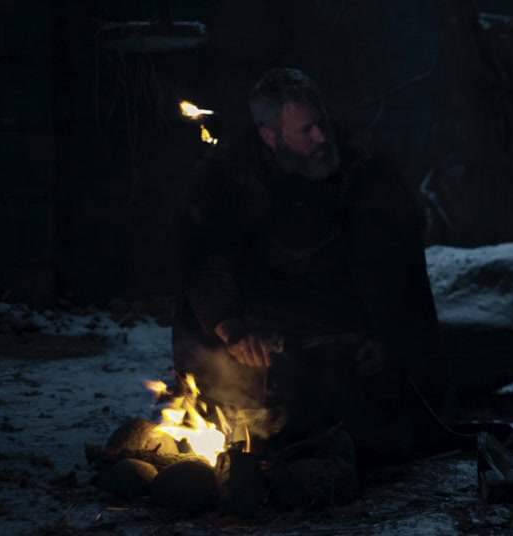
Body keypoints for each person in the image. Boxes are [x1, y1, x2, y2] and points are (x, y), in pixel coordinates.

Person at [173, 68, 457, 467]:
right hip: (262, 306)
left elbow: (391, 261)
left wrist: (383, 333)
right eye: (306, 130)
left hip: (337, 305)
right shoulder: (229, 175)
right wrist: (230, 325)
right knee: (216, 347)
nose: (322, 137)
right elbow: (205, 255)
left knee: (365, 418)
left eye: (321, 121)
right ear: (269, 135)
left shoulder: (360, 167)